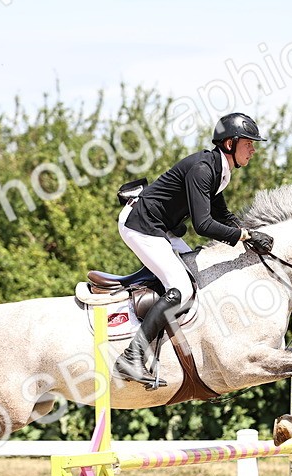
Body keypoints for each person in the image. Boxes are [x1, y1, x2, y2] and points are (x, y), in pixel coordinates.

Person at [113, 112, 275, 388]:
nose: (254, 149)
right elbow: (203, 224)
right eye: (249, 143)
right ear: (229, 144)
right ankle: (132, 356)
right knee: (182, 289)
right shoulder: (203, 169)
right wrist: (243, 235)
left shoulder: (218, 169)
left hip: (160, 227)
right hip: (141, 225)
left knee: (196, 278)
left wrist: (249, 237)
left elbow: (222, 214)